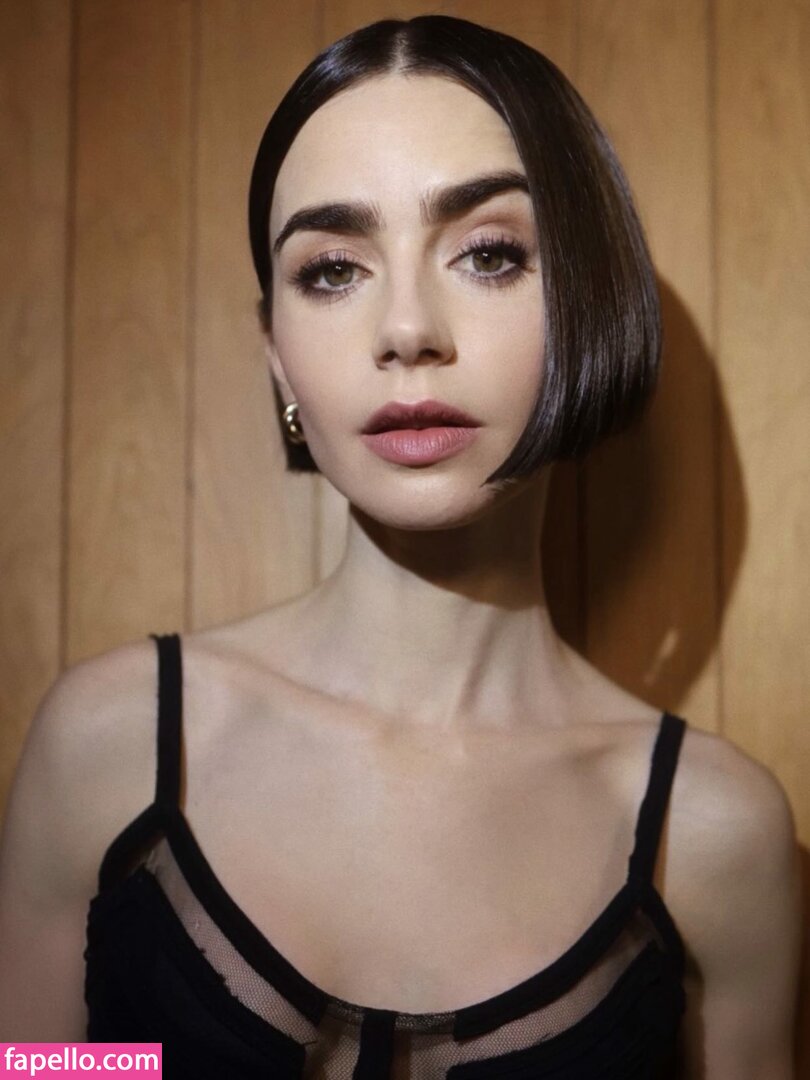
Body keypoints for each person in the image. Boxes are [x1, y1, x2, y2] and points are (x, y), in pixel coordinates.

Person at [0, 14, 802, 1078]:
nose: (407, 330)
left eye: (489, 254)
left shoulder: (715, 837)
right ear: (277, 355)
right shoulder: (106, 747)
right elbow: (34, 1068)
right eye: (333, 269)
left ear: (590, 297)